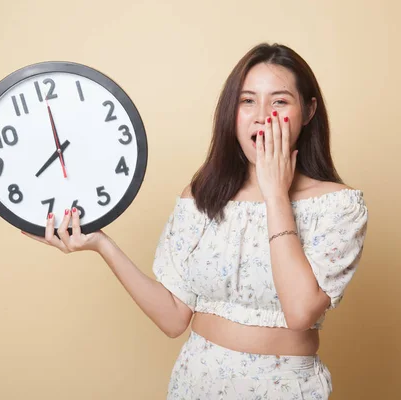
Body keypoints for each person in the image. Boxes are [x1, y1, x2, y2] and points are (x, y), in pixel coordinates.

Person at [23, 42, 368, 399]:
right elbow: (173, 318)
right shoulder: (202, 197)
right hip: (197, 381)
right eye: (247, 101)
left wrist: (276, 194)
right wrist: (101, 244)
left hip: (285, 388)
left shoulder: (338, 206)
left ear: (308, 111)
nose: (261, 115)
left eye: (279, 101)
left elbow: (299, 312)